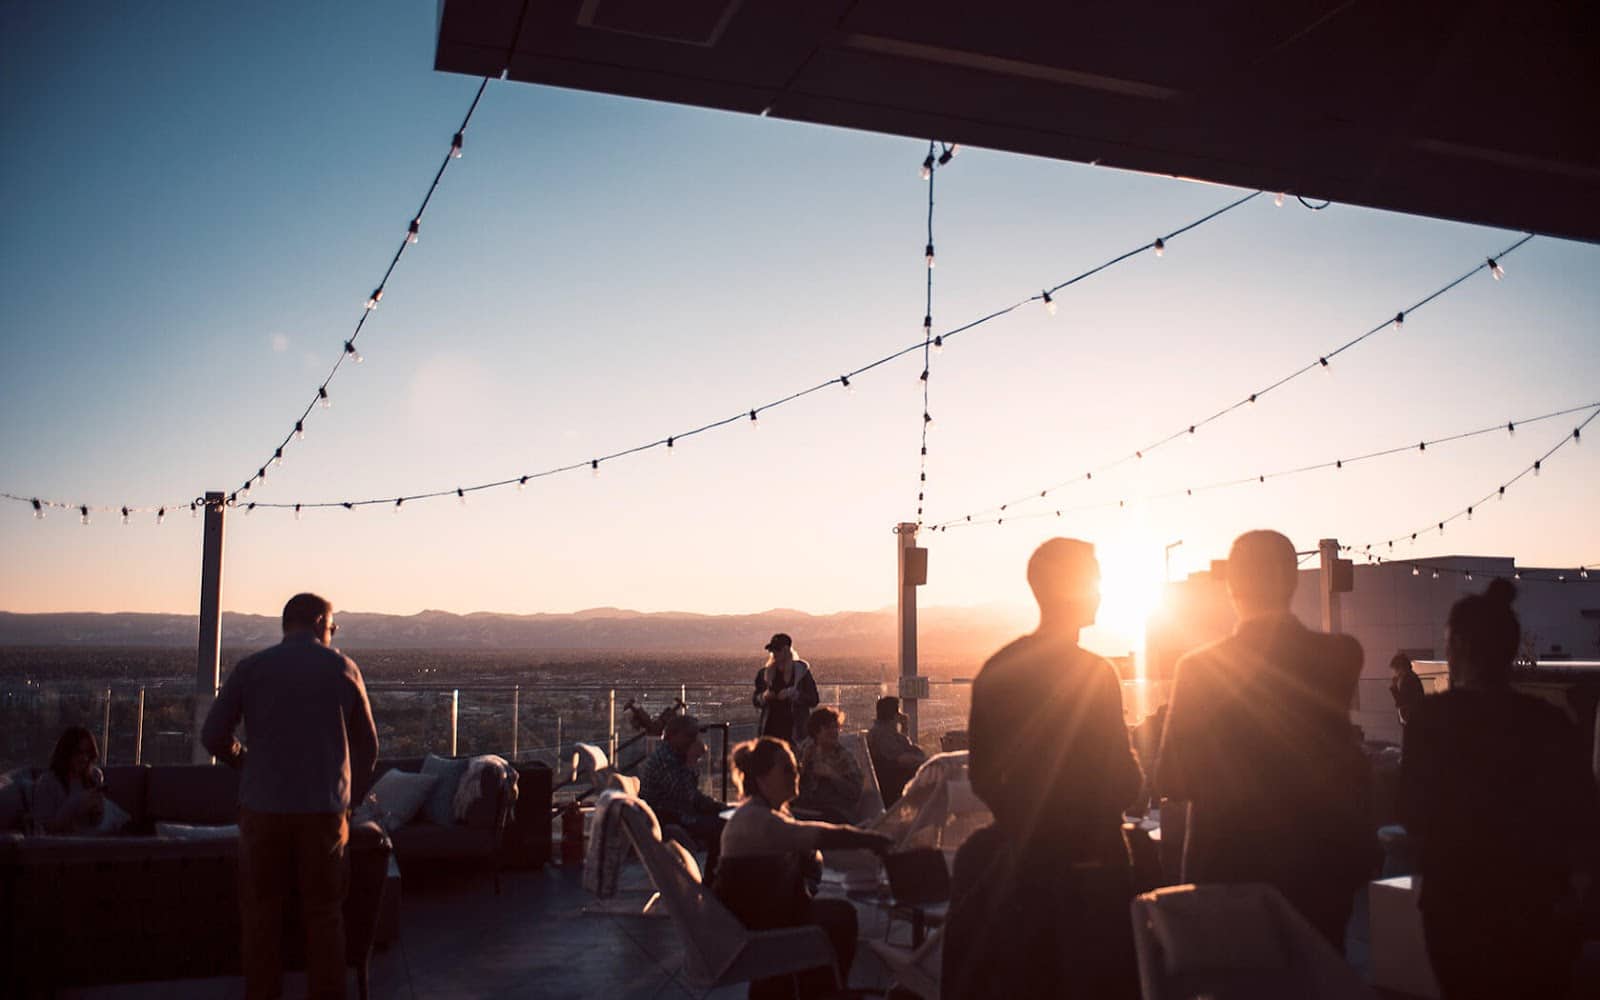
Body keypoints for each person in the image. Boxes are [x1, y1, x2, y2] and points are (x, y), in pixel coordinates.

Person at [944, 538, 1144, 999]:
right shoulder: (1094, 674)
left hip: (1024, 867)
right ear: (1069, 588)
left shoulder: (998, 669)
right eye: (1094, 579)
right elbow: (1125, 780)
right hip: (1094, 870)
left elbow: (984, 776)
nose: (1101, 591)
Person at [1156, 530, 1373, 950]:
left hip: (1226, 873)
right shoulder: (1342, 655)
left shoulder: (1198, 669)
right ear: (1293, 581)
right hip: (1319, 873)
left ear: (1232, 586)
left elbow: (1172, 779)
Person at [1399, 580, 1600, 999]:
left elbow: (1412, 813)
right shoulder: (1550, 723)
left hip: (1455, 908)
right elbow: (1583, 818)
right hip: (1538, 910)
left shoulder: (1430, 721)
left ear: (1458, 648)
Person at [202, 593, 379, 1000]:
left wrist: (244, 762)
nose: (332, 634)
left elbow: (213, 735)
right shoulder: (343, 669)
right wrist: (349, 800)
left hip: (262, 811)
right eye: (332, 627)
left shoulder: (252, 669)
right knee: (324, 917)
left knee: (262, 918)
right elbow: (368, 748)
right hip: (324, 813)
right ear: (320, 622)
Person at [716, 736, 892, 999]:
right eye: (786, 769)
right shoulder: (758, 819)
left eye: (795, 767)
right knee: (840, 916)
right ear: (762, 778)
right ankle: (824, 991)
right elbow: (818, 836)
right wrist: (874, 840)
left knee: (837, 913)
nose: (795, 774)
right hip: (762, 925)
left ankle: (821, 989)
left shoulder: (764, 814)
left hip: (764, 917)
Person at [638, 712, 728, 881]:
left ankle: (714, 879)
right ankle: (712, 881)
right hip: (668, 818)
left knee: (723, 820)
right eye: (689, 735)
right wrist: (692, 761)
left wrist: (718, 806)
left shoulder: (675, 756)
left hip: (677, 814)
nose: (693, 740)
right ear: (673, 736)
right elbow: (684, 797)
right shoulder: (666, 759)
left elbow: (693, 796)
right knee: (721, 828)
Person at [30, 726, 105, 834]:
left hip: (93, 839)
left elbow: (99, 822)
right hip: (61, 844)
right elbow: (44, 828)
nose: (84, 758)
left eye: (88, 753)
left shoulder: (94, 777)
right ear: (66, 753)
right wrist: (74, 806)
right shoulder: (48, 782)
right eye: (78, 752)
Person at [794, 706, 863, 824]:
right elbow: (787, 785)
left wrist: (833, 775)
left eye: (836, 727)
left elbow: (855, 792)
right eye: (828, 728)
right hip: (805, 810)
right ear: (816, 732)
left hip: (835, 812)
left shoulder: (844, 757)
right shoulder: (803, 751)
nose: (834, 731)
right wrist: (803, 765)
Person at [751, 632, 819, 747]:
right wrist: (764, 697)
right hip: (771, 729)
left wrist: (795, 695)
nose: (774, 654)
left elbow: (814, 700)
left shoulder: (802, 674)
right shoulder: (764, 674)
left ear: (787, 650)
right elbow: (755, 700)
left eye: (777, 650)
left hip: (794, 731)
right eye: (773, 651)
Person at [867, 695, 926, 808]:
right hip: (894, 784)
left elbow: (909, 749)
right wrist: (925, 761)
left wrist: (905, 728)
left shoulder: (891, 734)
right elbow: (902, 759)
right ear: (894, 715)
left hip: (898, 780)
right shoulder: (881, 734)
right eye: (898, 711)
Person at [1389, 651, 1426, 727]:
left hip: (1411, 719)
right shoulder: (1412, 677)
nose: (1395, 673)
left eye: (1395, 670)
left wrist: (1394, 687)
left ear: (1401, 668)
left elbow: (1401, 702)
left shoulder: (1408, 679)